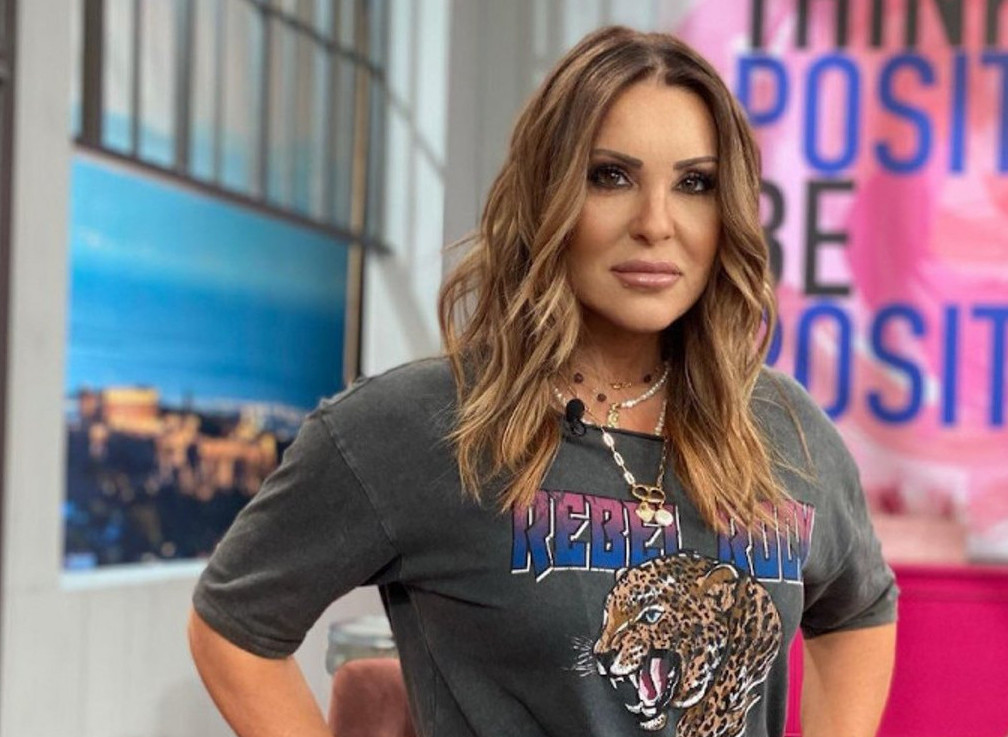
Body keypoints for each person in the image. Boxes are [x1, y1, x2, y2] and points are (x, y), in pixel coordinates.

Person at [188, 25, 897, 737]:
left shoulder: (782, 426)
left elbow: (859, 607)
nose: (656, 223)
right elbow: (235, 625)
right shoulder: (416, 426)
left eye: (694, 183)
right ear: (547, 195)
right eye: (610, 176)